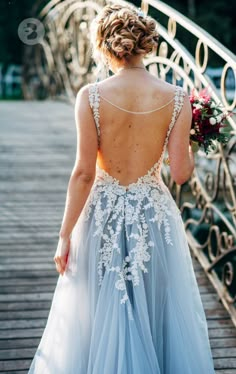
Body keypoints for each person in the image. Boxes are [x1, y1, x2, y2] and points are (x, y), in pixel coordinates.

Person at [28, 4, 215, 373]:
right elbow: (180, 173)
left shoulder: (90, 96)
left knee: (101, 305)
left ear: (105, 46)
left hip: (103, 210)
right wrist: (191, 142)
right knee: (155, 305)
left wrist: (64, 236)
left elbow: (83, 173)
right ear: (146, 45)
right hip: (153, 211)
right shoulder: (178, 98)